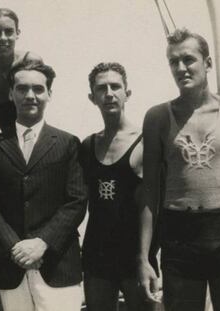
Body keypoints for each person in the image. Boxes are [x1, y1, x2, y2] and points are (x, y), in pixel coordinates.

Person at [0, 60, 87, 311]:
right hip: (11, 267)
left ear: (49, 94)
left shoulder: (68, 144)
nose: (30, 95)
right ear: (10, 94)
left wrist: (42, 243)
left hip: (58, 267)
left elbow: (76, 201)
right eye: (22, 89)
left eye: (38, 89)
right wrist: (15, 247)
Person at [138, 28, 220, 311]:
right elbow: (150, 190)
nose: (181, 68)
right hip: (179, 235)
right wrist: (143, 258)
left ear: (208, 64)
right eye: (173, 62)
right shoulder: (157, 118)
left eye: (188, 59)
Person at [81, 62, 157, 311]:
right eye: (102, 88)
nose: (109, 93)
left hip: (134, 255)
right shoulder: (87, 145)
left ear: (127, 93)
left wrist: (145, 258)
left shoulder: (144, 141)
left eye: (116, 86)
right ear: (92, 97)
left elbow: (149, 204)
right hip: (97, 256)